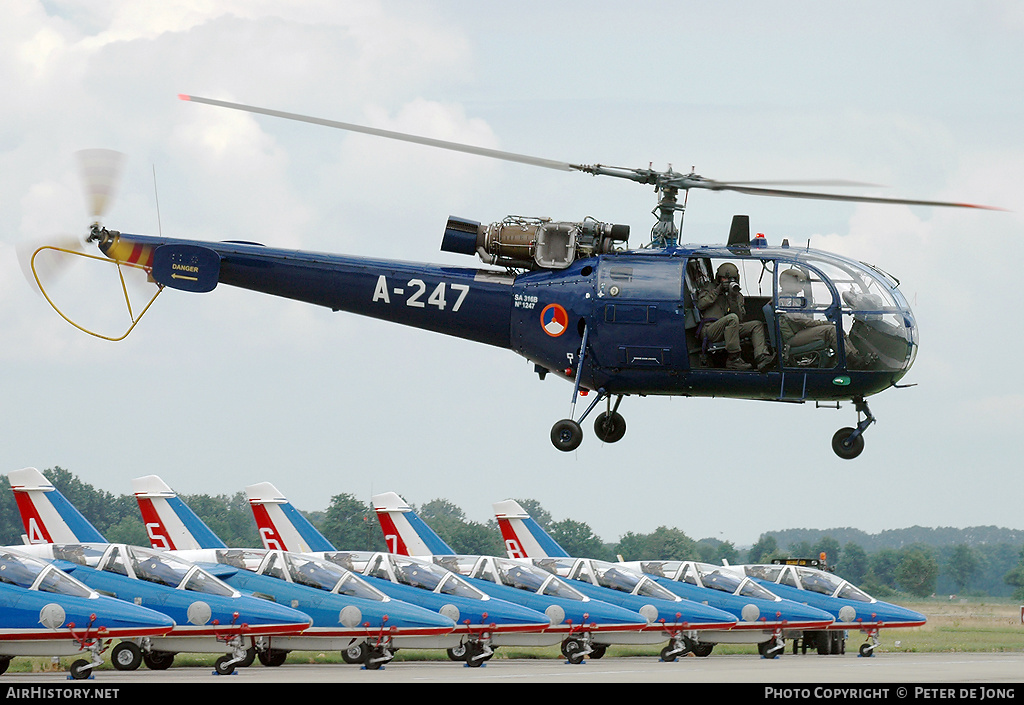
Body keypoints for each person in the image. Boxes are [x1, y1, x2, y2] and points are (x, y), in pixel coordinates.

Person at [777, 268, 875, 369]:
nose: (801, 287)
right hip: (792, 338)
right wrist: (822, 323)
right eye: (798, 283)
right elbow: (799, 319)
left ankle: (856, 357)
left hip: (798, 332)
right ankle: (854, 362)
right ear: (789, 283)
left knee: (838, 330)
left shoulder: (789, 298)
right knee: (831, 330)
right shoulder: (785, 299)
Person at [696, 262, 776, 371]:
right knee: (732, 318)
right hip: (710, 330)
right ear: (718, 278)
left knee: (756, 325)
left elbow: (740, 318)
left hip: (730, 329)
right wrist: (718, 290)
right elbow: (701, 304)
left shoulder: (737, 295)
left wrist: (733, 297)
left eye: (731, 279)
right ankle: (734, 360)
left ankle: (762, 358)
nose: (727, 281)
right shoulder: (709, 288)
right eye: (724, 278)